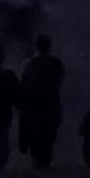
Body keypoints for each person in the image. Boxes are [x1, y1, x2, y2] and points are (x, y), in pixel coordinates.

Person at [17, 35, 65, 168]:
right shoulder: (56, 63)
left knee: (35, 140)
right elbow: (60, 82)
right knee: (48, 138)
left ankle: (38, 166)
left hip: (34, 106)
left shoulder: (29, 64)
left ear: (35, 46)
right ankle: (46, 163)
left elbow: (22, 83)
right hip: (51, 104)